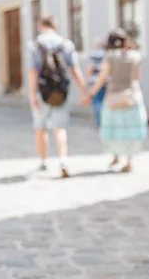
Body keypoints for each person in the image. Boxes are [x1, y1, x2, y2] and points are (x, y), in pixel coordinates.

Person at [28, 16, 88, 178]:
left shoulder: (35, 45)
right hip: (60, 90)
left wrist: (32, 94)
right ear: (55, 26)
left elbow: (33, 71)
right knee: (60, 127)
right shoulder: (66, 44)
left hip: (43, 90)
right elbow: (75, 70)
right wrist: (84, 91)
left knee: (41, 128)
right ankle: (63, 160)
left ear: (40, 26)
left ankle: (43, 160)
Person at [84, 28, 147, 173]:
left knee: (113, 128)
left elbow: (102, 78)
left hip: (113, 96)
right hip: (132, 96)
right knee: (131, 129)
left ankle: (116, 156)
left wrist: (90, 94)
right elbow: (137, 78)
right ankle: (129, 161)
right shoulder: (135, 55)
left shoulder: (110, 56)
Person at [85, 38, 107, 127]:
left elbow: (91, 66)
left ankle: (100, 120)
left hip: (95, 80)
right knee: (104, 101)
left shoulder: (95, 53)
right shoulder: (107, 53)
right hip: (106, 81)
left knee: (97, 101)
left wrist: (86, 78)